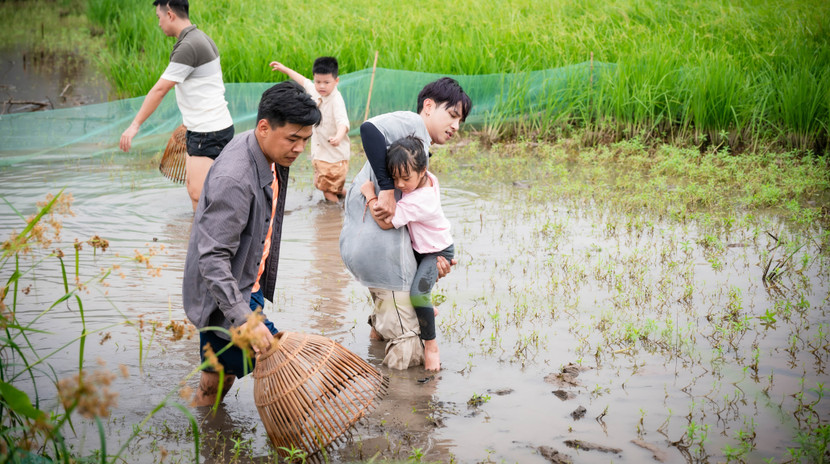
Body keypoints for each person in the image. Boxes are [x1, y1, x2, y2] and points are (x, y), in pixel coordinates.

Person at [182, 81, 321, 406]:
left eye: (305, 139)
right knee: (275, 359)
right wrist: (244, 317)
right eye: (293, 138)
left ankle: (206, 426)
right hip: (226, 298)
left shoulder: (267, 152)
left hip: (246, 280)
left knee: (219, 375)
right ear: (263, 127)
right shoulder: (235, 179)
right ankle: (211, 434)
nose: (300, 148)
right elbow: (213, 260)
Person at [339, 77, 472, 371]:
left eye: (460, 121)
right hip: (379, 249)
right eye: (452, 115)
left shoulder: (418, 149)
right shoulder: (412, 124)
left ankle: (376, 347)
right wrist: (386, 188)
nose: (456, 126)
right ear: (428, 106)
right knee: (409, 350)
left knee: (391, 316)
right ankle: (400, 410)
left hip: (363, 245)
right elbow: (369, 129)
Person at [119, 0, 234, 212]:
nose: (159, 23)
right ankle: (196, 240)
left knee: (200, 196)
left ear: (170, 14)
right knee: (195, 191)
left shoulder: (189, 45)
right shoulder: (198, 38)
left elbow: (159, 90)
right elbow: (204, 90)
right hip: (204, 127)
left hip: (209, 131)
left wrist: (135, 125)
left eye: (159, 17)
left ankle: (211, 241)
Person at [360, 135, 455, 371]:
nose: (400, 185)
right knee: (413, 293)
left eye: (406, 178)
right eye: (394, 179)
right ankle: (425, 311)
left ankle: (431, 346)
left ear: (423, 170)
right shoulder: (427, 179)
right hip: (421, 248)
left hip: (435, 252)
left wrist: (370, 194)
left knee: (418, 295)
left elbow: (385, 222)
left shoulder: (421, 199)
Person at [270, 57, 350, 202]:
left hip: (334, 157)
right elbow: (302, 80)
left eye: (326, 82)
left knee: (328, 191)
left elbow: (343, 122)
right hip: (321, 153)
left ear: (336, 81)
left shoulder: (336, 100)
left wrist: (338, 136)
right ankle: (350, 197)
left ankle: (334, 217)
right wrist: (284, 69)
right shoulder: (315, 90)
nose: (322, 86)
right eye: (318, 82)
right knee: (331, 187)